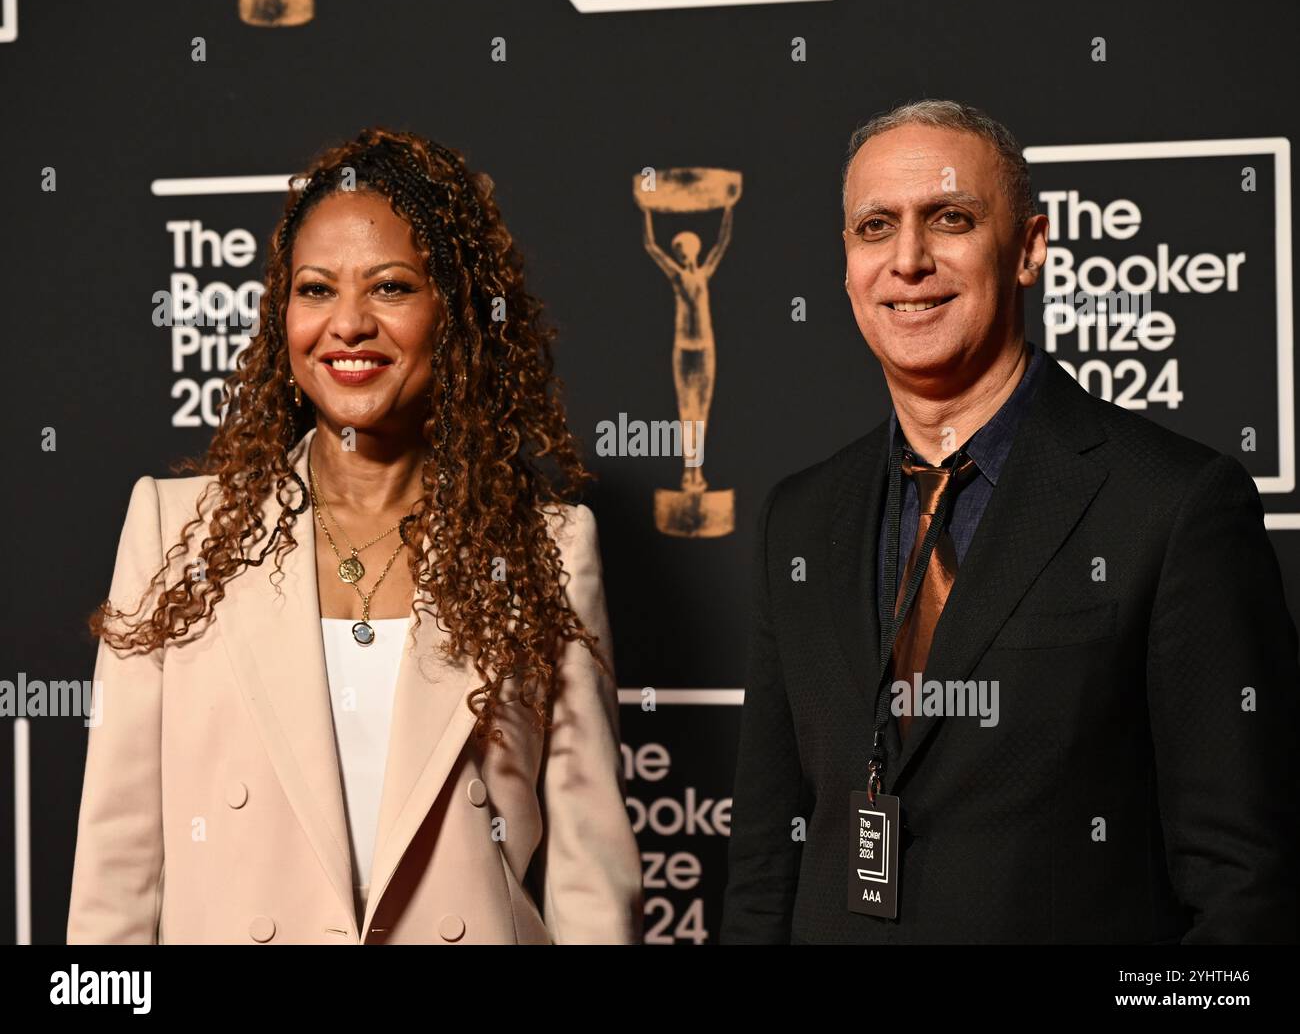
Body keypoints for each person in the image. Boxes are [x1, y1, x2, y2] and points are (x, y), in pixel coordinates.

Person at [721, 100, 1298, 944]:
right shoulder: (800, 519)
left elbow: (1247, 890)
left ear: (1029, 249)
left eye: (950, 219)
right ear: (847, 263)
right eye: (875, 226)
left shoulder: (1176, 505)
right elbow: (767, 863)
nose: (908, 260)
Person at [68, 128, 643, 944]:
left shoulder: (546, 548)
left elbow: (591, 878)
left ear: (459, 312)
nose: (347, 325)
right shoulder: (175, 533)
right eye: (315, 290)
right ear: (282, 314)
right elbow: (116, 873)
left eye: (391, 287)